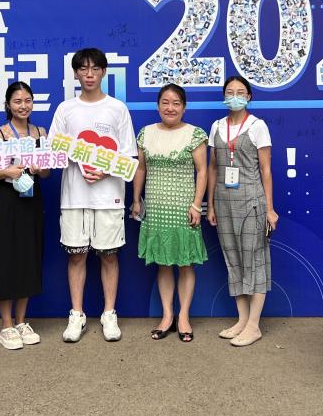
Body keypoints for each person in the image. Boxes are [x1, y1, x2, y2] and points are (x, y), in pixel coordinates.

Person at [49, 48, 136, 342]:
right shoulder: (65, 110)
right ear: (76, 73)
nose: (89, 74)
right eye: (83, 69)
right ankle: (77, 314)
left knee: (109, 256)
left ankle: (109, 314)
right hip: (74, 197)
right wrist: (74, 156)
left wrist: (105, 171)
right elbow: (54, 152)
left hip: (109, 197)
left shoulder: (117, 109)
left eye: (95, 68)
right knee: (76, 256)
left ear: (103, 72)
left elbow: (129, 156)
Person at [131, 84, 208, 342]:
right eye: (165, 102)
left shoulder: (195, 134)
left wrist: (196, 204)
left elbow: (203, 171)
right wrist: (136, 199)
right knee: (163, 263)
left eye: (176, 103)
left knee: (185, 263)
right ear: (158, 105)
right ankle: (167, 316)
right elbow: (140, 169)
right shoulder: (146, 133)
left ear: (184, 107)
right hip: (156, 209)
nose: (170, 108)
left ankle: (183, 316)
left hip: (184, 209)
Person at [206, 75, 278, 347]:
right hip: (224, 201)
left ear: (248, 97)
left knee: (254, 260)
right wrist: (211, 204)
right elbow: (213, 167)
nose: (234, 96)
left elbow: (266, 170)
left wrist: (269, 209)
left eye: (239, 92)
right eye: (229, 92)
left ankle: (253, 325)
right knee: (233, 259)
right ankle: (242, 319)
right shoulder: (216, 126)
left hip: (251, 200)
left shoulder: (258, 126)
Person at [0, 82, 50, 350]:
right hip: (8, 201)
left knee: (29, 257)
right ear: (8, 105)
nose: (23, 106)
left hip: (32, 199)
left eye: (27, 100)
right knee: (6, 257)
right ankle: (6, 325)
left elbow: (47, 172)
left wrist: (39, 168)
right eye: (18, 101)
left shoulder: (40, 133)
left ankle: (21, 321)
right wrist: (5, 172)